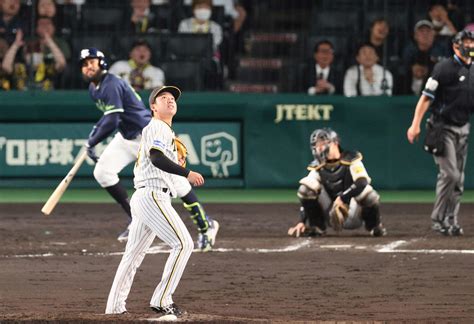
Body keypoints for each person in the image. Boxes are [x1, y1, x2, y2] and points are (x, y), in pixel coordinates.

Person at [81, 49, 219, 249]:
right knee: (103, 172)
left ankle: (206, 225)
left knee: (178, 186)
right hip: (126, 136)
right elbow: (108, 116)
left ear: (101, 63)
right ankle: (137, 219)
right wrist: (93, 135)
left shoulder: (111, 83)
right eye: (84, 64)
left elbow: (112, 119)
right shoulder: (94, 88)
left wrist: (91, 142)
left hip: (148, 136)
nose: (88, 67)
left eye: (91, 62)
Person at [105, 86, 202, 319]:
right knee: (184, 243)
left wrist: (174, 160)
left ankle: (114, 308)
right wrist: (186, 172)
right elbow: (156, 157)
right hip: (153, 196)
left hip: (145, 197)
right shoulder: (158, 126)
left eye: (172, 98)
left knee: (133, 256)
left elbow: (159, 157)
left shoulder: (163, 130)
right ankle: (162, 299)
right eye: (163, 98)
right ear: (153, 107)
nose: (170, 100)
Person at [406, 29, 474, 236]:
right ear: (455, 46)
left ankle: (450, 220)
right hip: (442, 127)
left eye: (471, 42)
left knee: (459, 178)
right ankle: (438, 219)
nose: (470, 45)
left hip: (463, 127)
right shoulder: (444, 68)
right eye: (466, 42)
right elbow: (426, 97)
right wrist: (415, 124)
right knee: (450, 174)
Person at [288, 128, 386, 238]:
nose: (319, 148)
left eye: (322, 143)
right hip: (330, 214)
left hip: (353, 214)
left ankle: (375, 227)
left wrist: (342, 198)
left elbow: (362, 181)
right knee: (305, 189)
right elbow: (307, 192)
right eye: (316, 145)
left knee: (369, 193)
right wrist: (301, 221)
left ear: (335, 143)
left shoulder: (351, 159)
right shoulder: (318, 166)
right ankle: (317, 227)